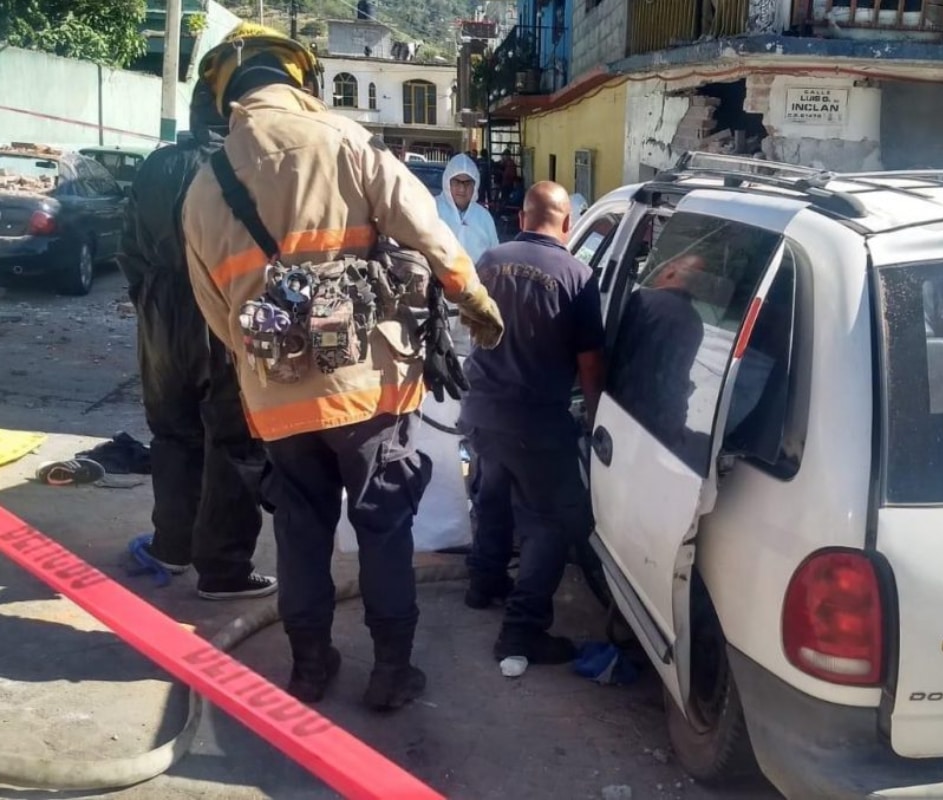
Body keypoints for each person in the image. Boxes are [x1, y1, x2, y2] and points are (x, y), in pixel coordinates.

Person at [181, 24, 505, 710]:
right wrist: (472, 300)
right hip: (367, 391)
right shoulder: (346, 143)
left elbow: (216, 313)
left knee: (300, 531)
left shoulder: (204, 187)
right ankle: (390, 673)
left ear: (227, 97)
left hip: (275, 399)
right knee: (383, 524)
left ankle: (309, 666)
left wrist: (264, 369)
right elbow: (427, 230)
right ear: (298, 81)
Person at [117, 80, 276, 601]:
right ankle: (224, 569)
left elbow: (127, 247)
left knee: (171, 432)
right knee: (233, 441)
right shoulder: (240, 166)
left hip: (161, 315)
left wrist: (151, 302)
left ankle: (172, 545)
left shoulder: (156, 165)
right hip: (218, 306)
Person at [458, 181, 605, 665]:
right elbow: (589, 361)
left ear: (522, 218)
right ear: (567, 224)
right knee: (550, 526)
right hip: (536, 424)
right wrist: (595, 413)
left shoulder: (490, 259)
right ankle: (520, 634)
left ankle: (483, 585)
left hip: (482, 411)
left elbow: (471, 324)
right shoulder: (578, 275)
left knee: (492, 497)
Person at [436, 153, 499, 264]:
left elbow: (495, 256)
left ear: (475, 185)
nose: (462, 188)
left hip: (477, 279)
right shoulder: (433, 210)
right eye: (456, 182)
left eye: (468, 183)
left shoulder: (484, 217)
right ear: (447, 182)